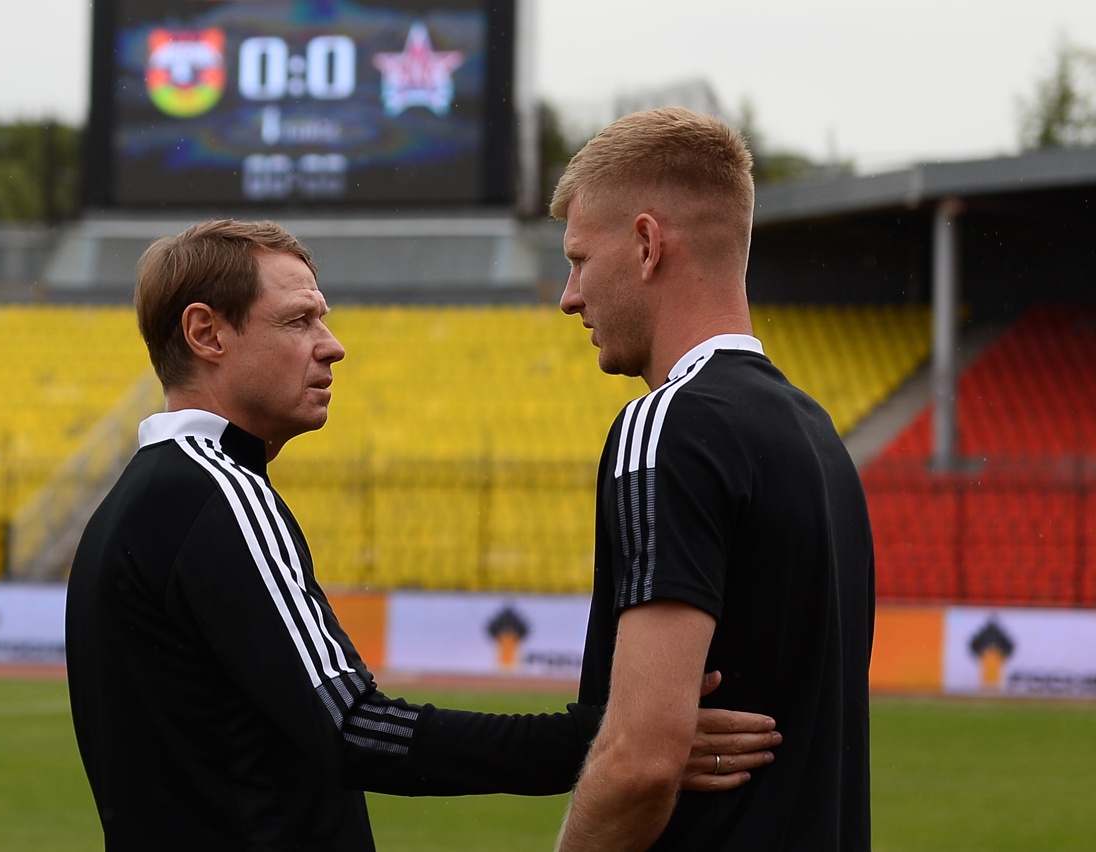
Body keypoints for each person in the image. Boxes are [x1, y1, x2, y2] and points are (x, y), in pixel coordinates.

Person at [65, 218, 782, 851]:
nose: (333, 346)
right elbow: (354, 730)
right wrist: (609, 738)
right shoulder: (216, 491)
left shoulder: (136, 504)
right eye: (299, 320)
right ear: (206, 333)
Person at [549, 107, 875, 850]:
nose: (568, 296)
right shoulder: (819, 435)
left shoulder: (666, 425)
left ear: (644, 243)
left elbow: (639, 760)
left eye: (578, 259)